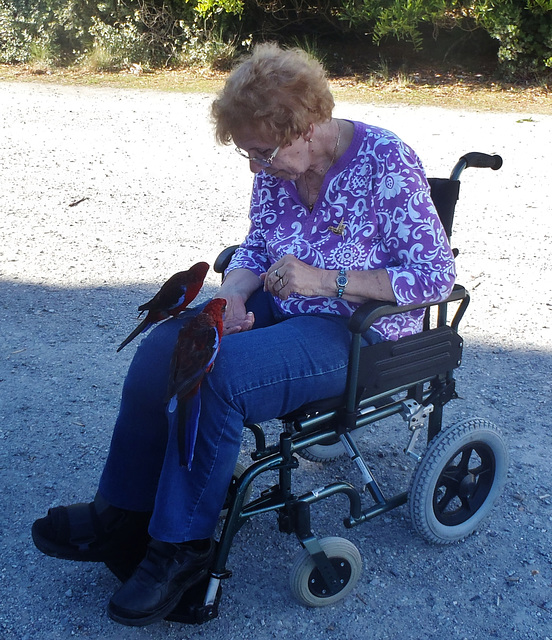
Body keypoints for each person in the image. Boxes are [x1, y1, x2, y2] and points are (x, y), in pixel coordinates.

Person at [32, 42, 456, 627]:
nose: (257, 168)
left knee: (222, 376)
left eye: (261, 153)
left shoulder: (387, 163)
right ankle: (122, 513)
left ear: (304, 128)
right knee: (165, 348)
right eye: (247, 154)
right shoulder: (278, 169)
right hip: (278, 305)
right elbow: (256, 247)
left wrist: (327, 280)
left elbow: (435, 278)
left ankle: (183, 546)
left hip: (356, 333)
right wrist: (232, 295)